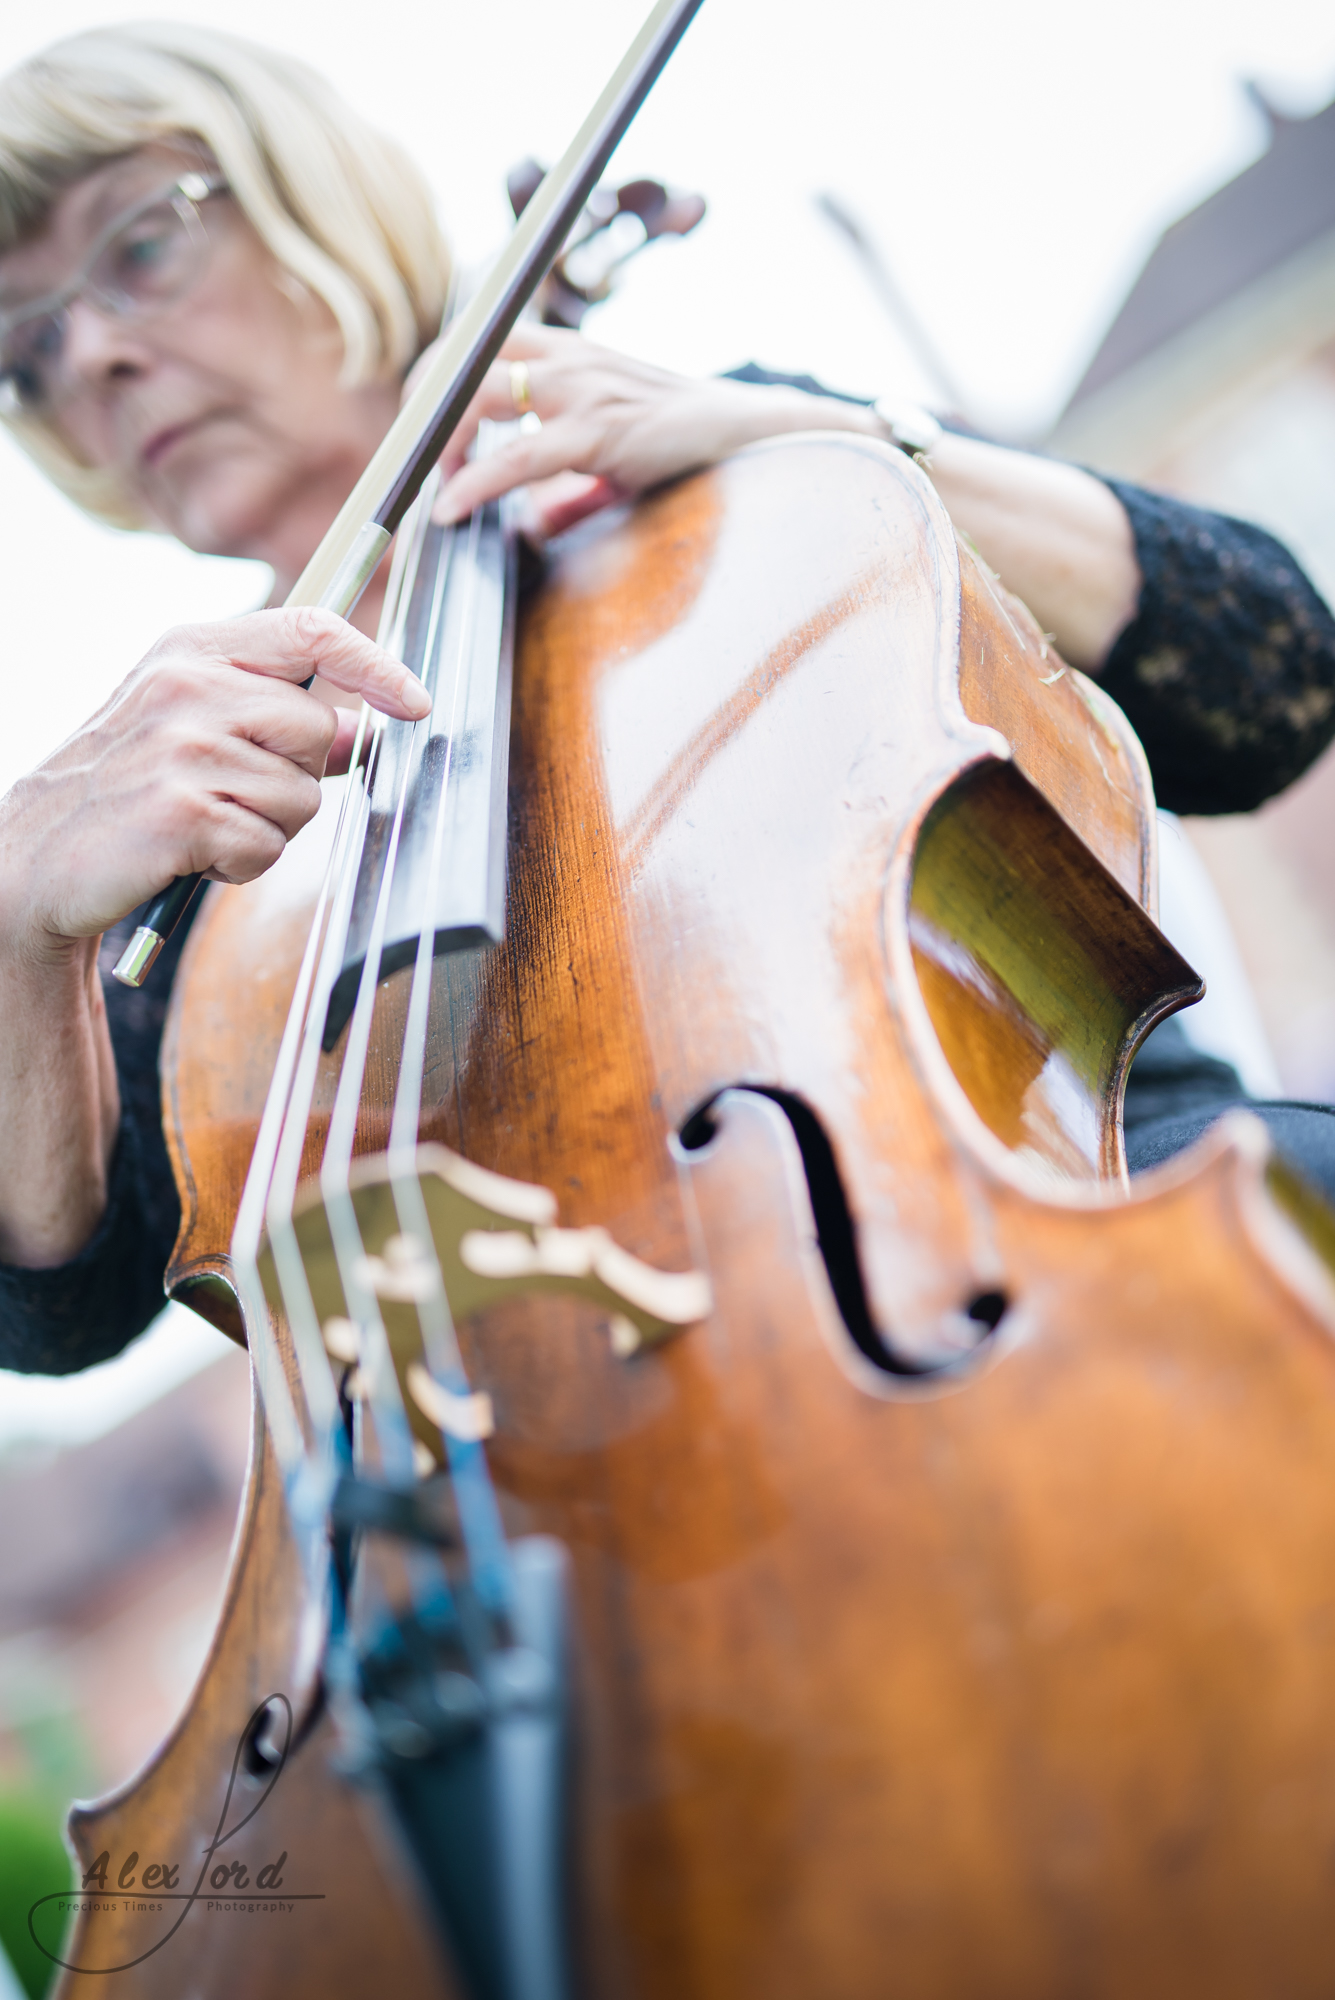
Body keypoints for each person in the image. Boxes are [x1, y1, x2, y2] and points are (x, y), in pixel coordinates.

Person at [0, 23, 1329, 1378]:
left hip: (1019, 1285)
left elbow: (1265, 680)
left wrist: (836, 447)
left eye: (141, 245)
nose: (91, 359)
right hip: (551, 1497)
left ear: (310, 199)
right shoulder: (214, 803)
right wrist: (15, 919)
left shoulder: (739, 475)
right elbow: (61, 1305)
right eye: (25, 355)